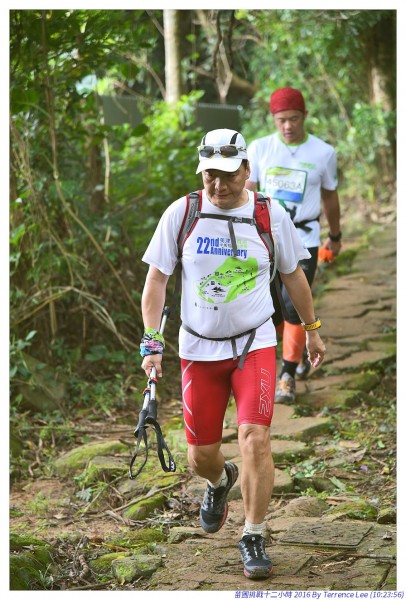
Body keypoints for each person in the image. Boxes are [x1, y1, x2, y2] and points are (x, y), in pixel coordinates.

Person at [139, 128, 326, 579]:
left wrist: (311, 329)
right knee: (200, 456)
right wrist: (152, 341)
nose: (219, 185)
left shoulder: (269, 214)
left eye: (228, 175)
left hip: (254, 344)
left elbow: (293, 275)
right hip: (198, 349)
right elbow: (157, 280)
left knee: (255, 438)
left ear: (246, 169)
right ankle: (220, 481)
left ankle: (253, 534)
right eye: (210, 175)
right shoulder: (183, 213)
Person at [246, 87, 342, 403]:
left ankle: (286, 376)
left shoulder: (323, 152)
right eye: (282, 120)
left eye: (294, 119)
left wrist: (335, 236)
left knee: (293, 306)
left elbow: (330, 197)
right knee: (271, 311)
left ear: (305, 116)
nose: (288, 126)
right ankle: (296, 349)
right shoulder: (260, 149)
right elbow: (246, 192)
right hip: (265, 240)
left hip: (305, 239)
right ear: (273, 119)